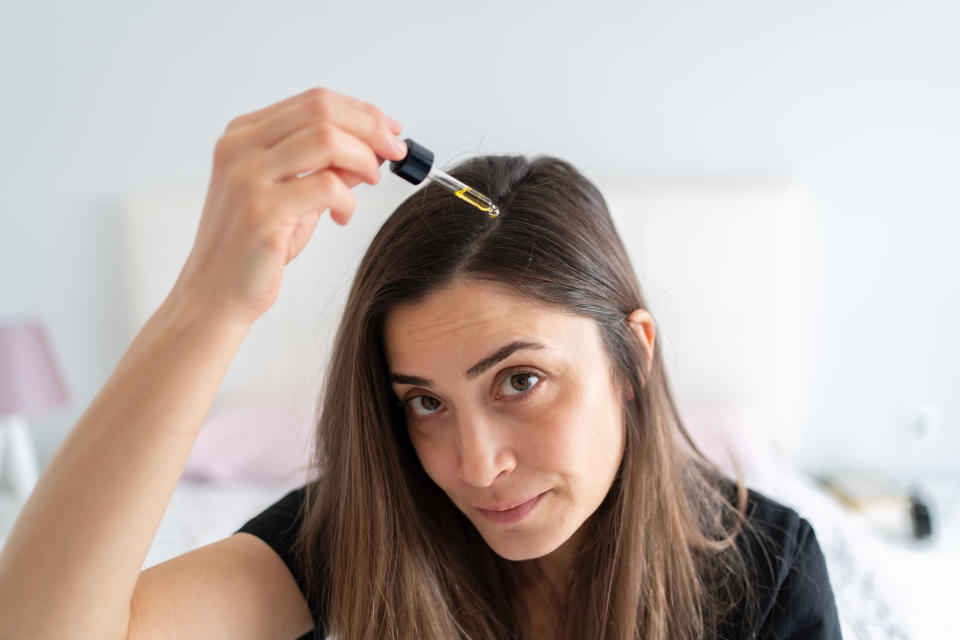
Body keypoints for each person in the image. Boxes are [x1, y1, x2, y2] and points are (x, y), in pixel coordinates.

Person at [0, 87, 841, 640]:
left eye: (521, 381)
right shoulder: (359, 531)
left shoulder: (765, 571)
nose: (477, 466)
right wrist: (209, 302)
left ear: (633, 357)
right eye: (425, 403)